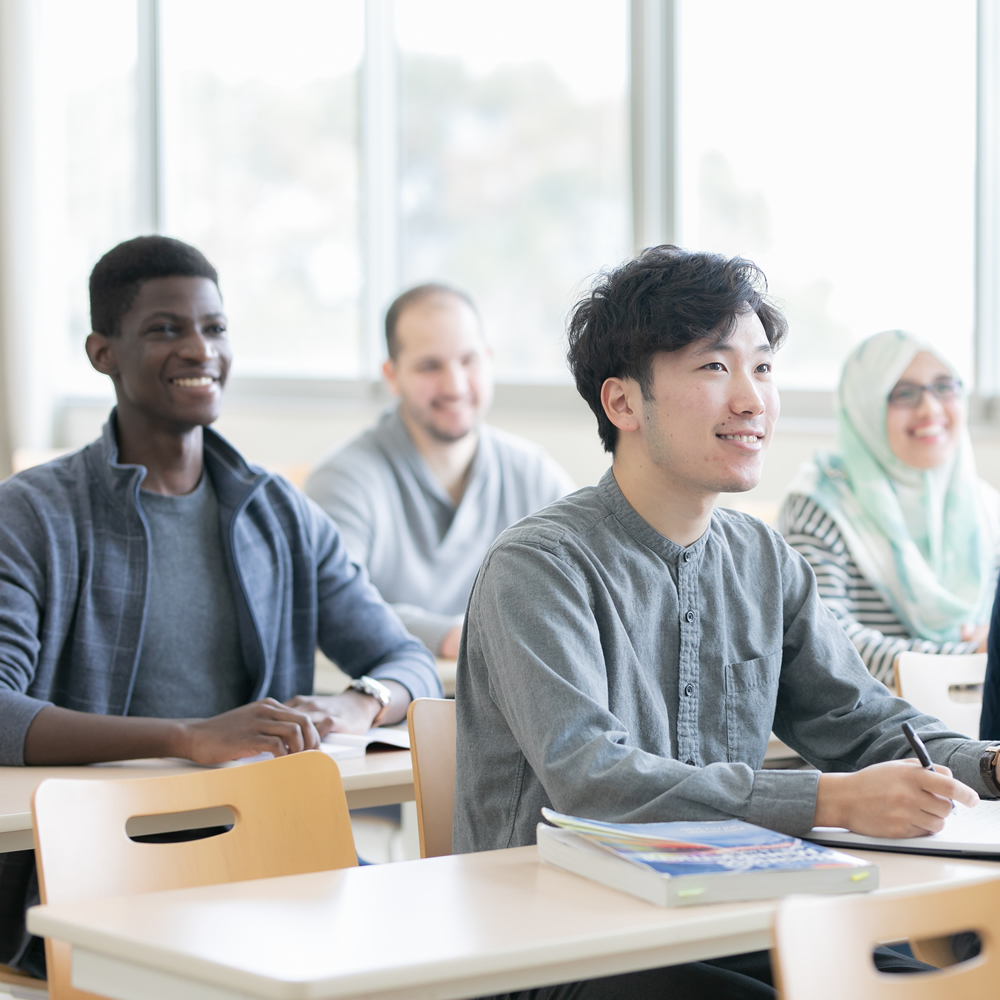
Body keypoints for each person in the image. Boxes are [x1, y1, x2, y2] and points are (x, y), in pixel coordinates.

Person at [453, 246, 1000, 999]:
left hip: (724, 918)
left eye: (764, 368)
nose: (751, 400)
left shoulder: (762, 560)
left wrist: (990, 766)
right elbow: (591, 779)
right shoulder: (539, 566)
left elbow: (863, 721)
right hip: (560, 955)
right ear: (623, 404)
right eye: (714, 368)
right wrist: (831, 800)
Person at [0, 236, 441, 978]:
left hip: (273, 854)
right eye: (166, 329)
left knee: (445, 953)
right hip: (95, 877)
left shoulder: (278, 512)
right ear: (102, 353)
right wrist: (187, 737)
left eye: (214, 327)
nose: (199, 348)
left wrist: (358, 705)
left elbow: (410, 663)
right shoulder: (32, 516)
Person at [305, 283, 574, 658]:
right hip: (389, 701)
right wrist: (450, 635)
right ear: (392, 375)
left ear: (489, 359)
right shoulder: (344, 480)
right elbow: (327, 604)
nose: (455, 385)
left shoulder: (532, 472)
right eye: (430, 366)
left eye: (469, 360)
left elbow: (588, 582)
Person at [779, 331, 999, 687]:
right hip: (875, 726)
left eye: (944, 387)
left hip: (979, 716)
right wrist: (970, 659)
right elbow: (825, 641)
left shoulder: (985, 507)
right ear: (865, 405)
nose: (931, 409)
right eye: (904, 394)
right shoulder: (819, 505)